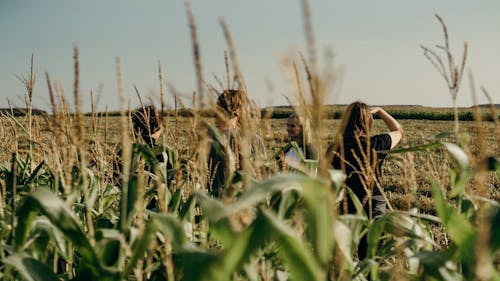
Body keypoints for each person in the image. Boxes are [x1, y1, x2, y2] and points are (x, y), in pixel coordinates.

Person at [326, 101, 403, 259]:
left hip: (346, 205)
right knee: (372, 256)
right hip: (373, 204)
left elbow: (326, 177)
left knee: (343, 257)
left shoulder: (335, 147)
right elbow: (398, 131)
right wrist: (381, 111)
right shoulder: (376, 144)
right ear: (368, 121)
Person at [207, 89, 266, 198]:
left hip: (215, 203)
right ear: (238, 111)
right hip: (245, 202)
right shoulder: (253, 138)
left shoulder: (207, 136)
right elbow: (262, 174)